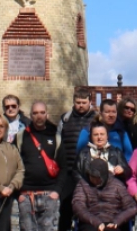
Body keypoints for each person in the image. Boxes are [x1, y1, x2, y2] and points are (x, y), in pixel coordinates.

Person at [16, 101, 65, 231]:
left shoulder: (56, 136)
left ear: (47, 115)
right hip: (26, 195)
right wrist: (18, 193)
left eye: (42, 113)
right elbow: (13, 166)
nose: (39, 116)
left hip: (49, 194)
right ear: (30, 115)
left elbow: (64, 167)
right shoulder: (21, 136)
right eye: (35, 113)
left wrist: (57, 191)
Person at [57, 90, 97, 231]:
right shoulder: (65, 119)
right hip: (68, 171)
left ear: (90, 102)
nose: (80, 106)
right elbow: (58, 142)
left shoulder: (96, 120)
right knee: (65, 209)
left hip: (88, 173)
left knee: (88, 210)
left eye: (84, 103)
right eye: (78, 103)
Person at [73, 159, 137, 231]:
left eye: (97, 178)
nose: (94, 180)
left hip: (112, 222)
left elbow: (132, 207)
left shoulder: (117, 185)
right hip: (90, 222)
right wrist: (96, 222)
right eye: (92, 177)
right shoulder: (83, 184)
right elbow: (78, 206)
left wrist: (117, 221)